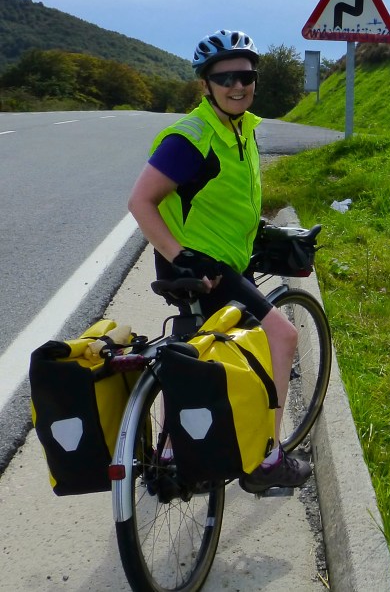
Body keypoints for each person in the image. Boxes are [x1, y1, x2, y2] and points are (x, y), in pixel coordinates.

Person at [128, 29, 311, 493]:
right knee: (281, 336)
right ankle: (268, 458)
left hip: (216, 261)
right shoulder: (193, 136)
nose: (237, 85)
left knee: (194, 353)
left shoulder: (241, 128)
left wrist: (259, 233)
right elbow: (141, 202)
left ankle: (173, 455)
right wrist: (181, 256)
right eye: (224, 77)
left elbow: (221, 198)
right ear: (205, 84)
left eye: (246, 76)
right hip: (200, 267)